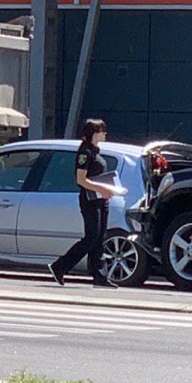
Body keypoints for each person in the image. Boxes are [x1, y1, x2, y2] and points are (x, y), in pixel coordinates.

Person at [48, 119, 119, 287]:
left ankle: (99, 276)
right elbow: (81, 180)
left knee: (100, 237)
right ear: (94, 133)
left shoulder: (96, 151)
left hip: (100, 198)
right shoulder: (84, 152)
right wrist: (101, 188)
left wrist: (106, 189)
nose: (105, 134)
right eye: (102, 131)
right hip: (89, 199)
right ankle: (60, 266)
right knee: (91, 237)